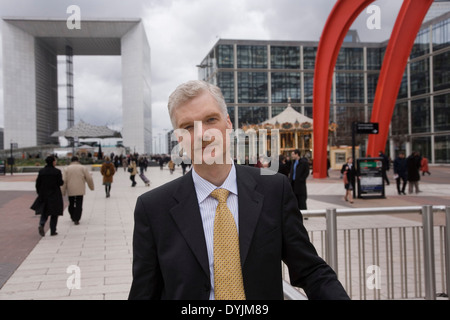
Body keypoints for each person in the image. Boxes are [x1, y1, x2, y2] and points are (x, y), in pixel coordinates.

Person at [128, 80, 349, 300]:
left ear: (229, 124)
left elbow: (310, 270)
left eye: (210, 119)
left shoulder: (274, 190)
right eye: (188, 127)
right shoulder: (153, 208)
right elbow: (145, 292)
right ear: (178, 138)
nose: (202, 134)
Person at [35, 156, 64, 236]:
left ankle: (41, 224)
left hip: (44, 194)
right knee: (54, 213)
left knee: (44, 211)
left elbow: (38, 184)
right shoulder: (57, 171)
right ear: (53, 162)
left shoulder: (41, 171)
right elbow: (60, 183)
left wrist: (39, 193)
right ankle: (53, 230)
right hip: (55, 194)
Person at [61, 156, 95, 225]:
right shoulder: (83, 168)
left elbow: (64, 180)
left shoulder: (66, 169)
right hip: (80, 189)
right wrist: (91, 187)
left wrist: (63, 191)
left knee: (71, 203)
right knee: (79, 204)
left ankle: (72, 216)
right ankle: (77, 218)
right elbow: (89, 178)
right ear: (78, 161)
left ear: (71, 161)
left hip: (70, 189)